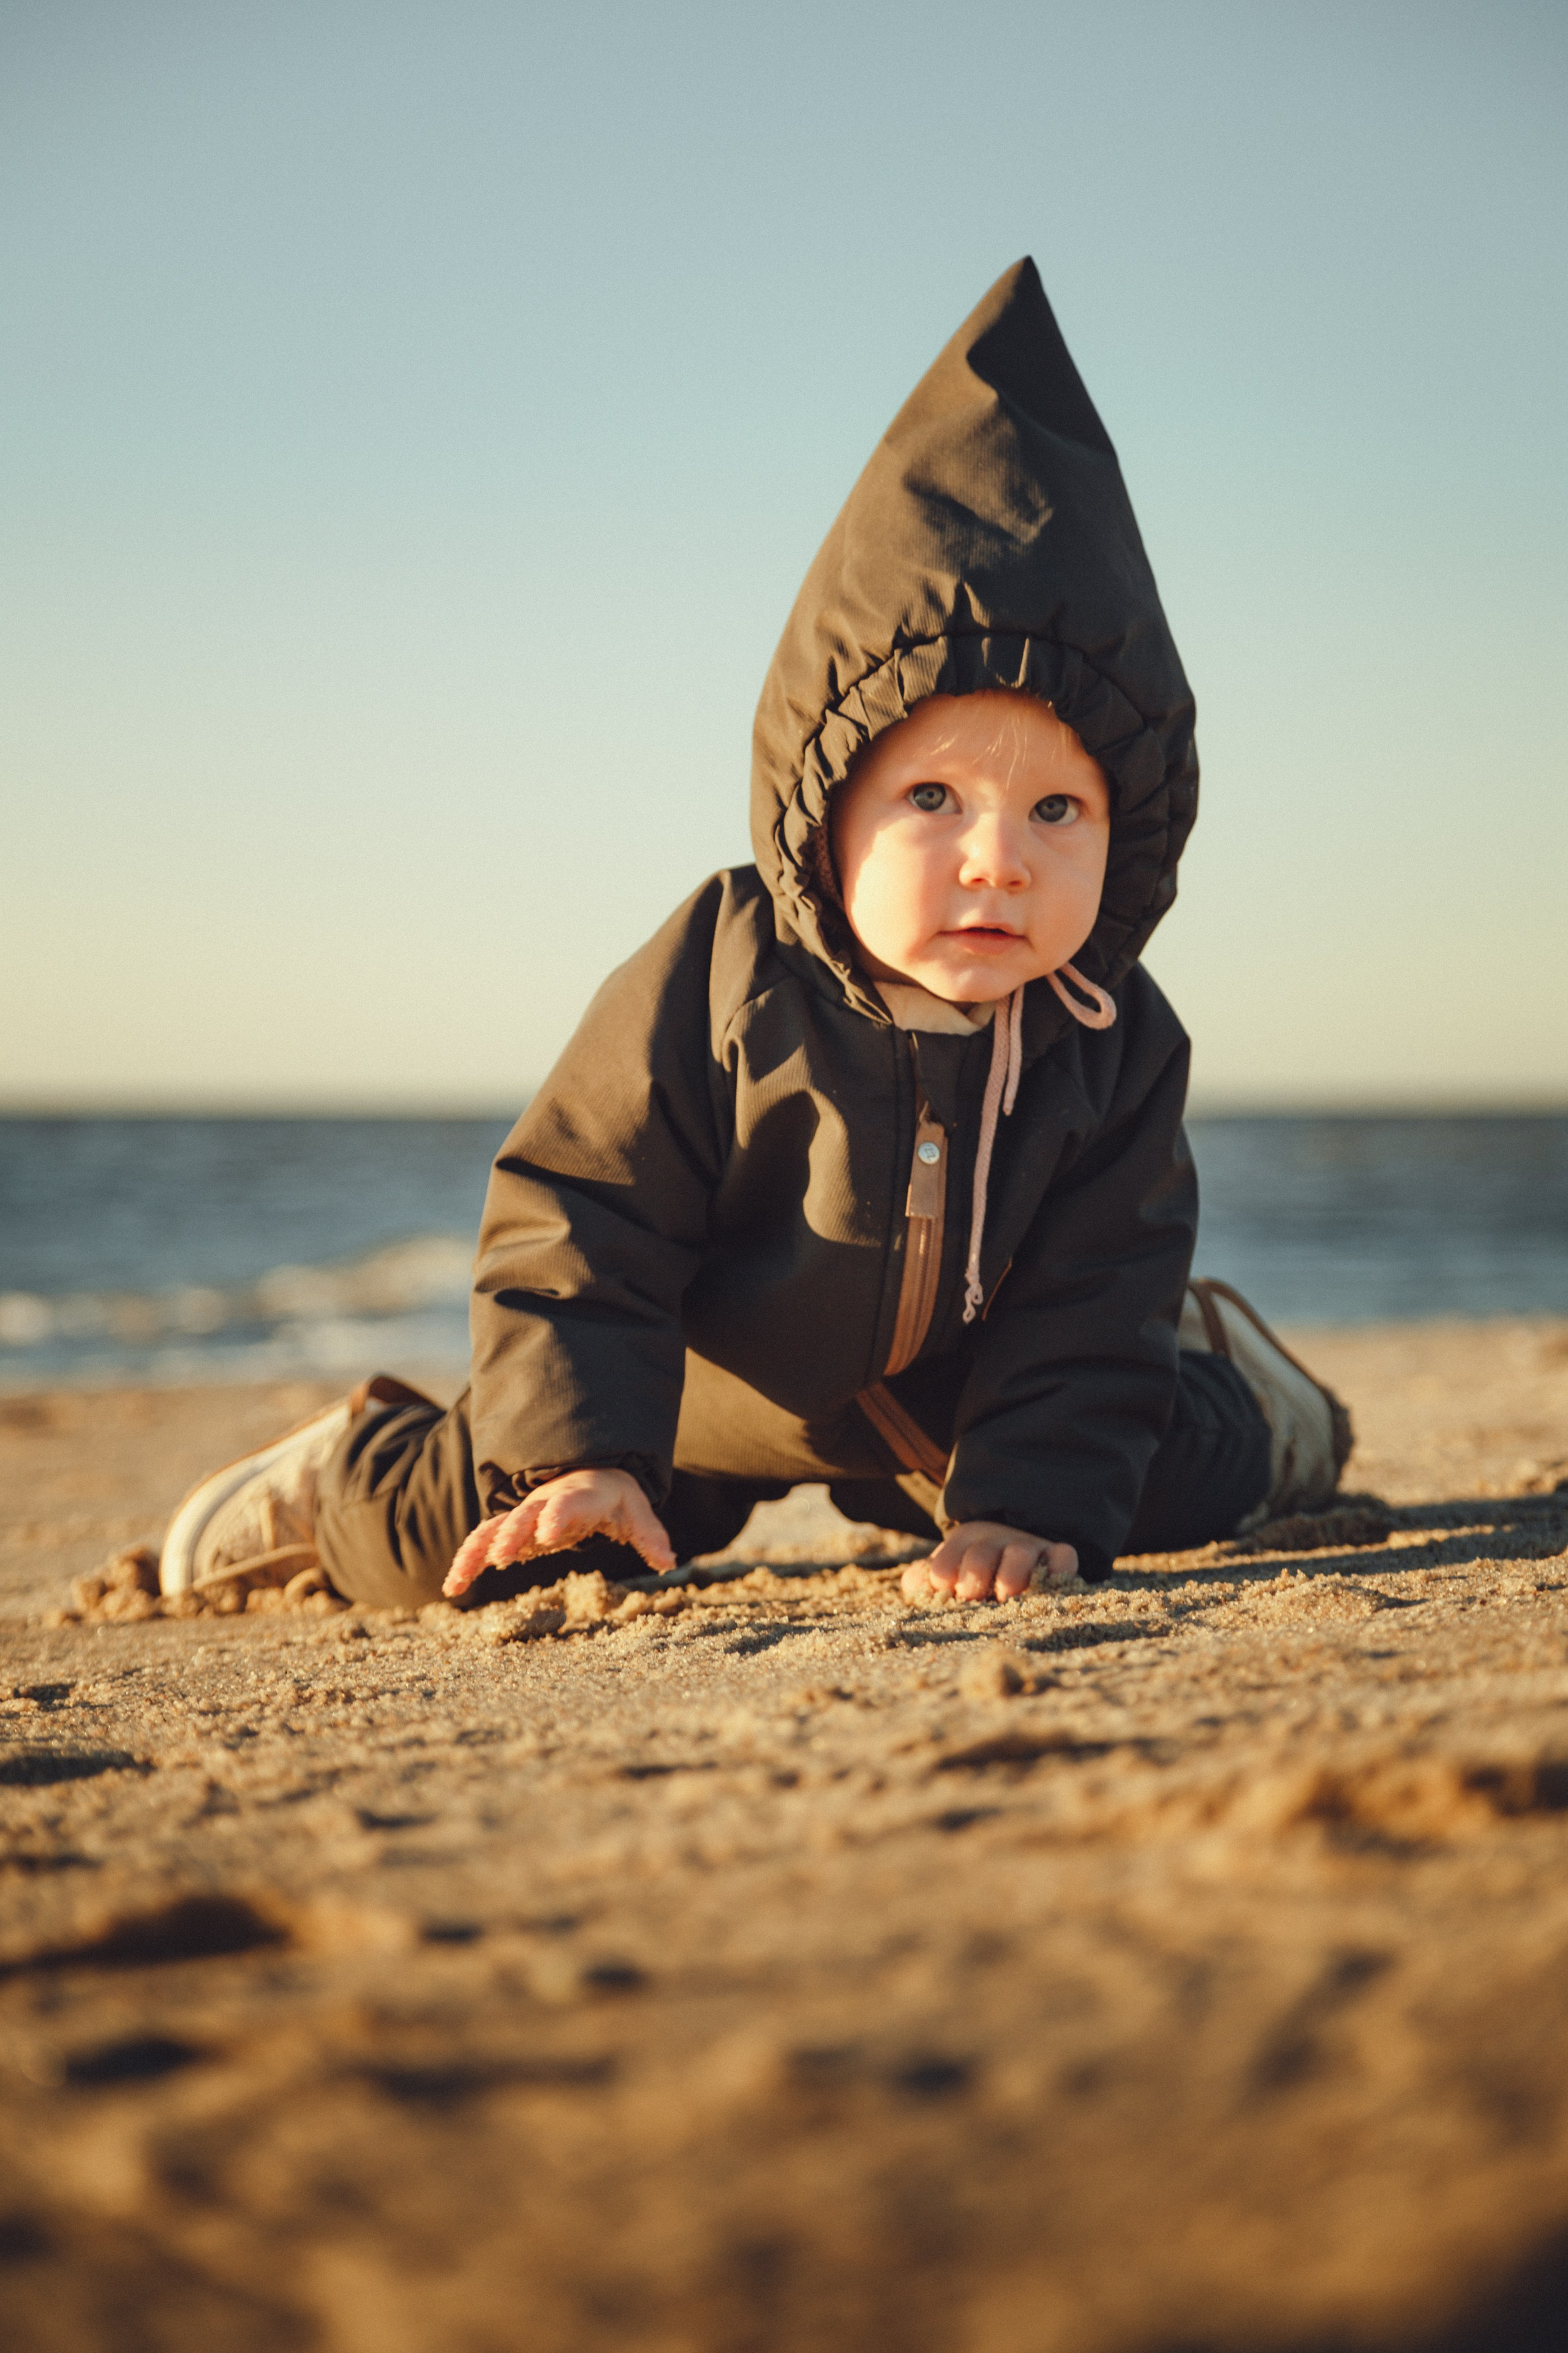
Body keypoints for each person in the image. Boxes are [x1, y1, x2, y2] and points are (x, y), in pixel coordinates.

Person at [159, 259, 1350, 1617]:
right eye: (932, 798)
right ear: (823, 806)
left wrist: (1024, 1503)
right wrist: (584, 1451)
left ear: (1126, 830)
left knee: (1132, 1478)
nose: (998, 858)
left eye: (1059, 809)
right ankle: (347, 1474)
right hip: (688, 1382)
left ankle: (1254, 1396)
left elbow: (1090, 1295)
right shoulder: (722, 973)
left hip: (954, 1405)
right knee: (505, 1527)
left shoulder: (1109, 1039)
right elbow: (580, 1214)